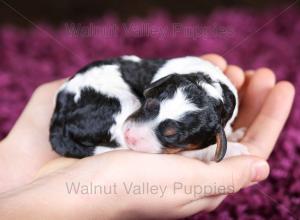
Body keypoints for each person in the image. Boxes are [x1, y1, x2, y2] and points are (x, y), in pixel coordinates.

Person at [0, 54, 295, 219]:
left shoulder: (219, 113)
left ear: (216, 137)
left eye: (170, 136)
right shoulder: (171, 79)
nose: (133, 132)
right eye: (149, 108)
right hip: (90, 98)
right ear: (156, 89)